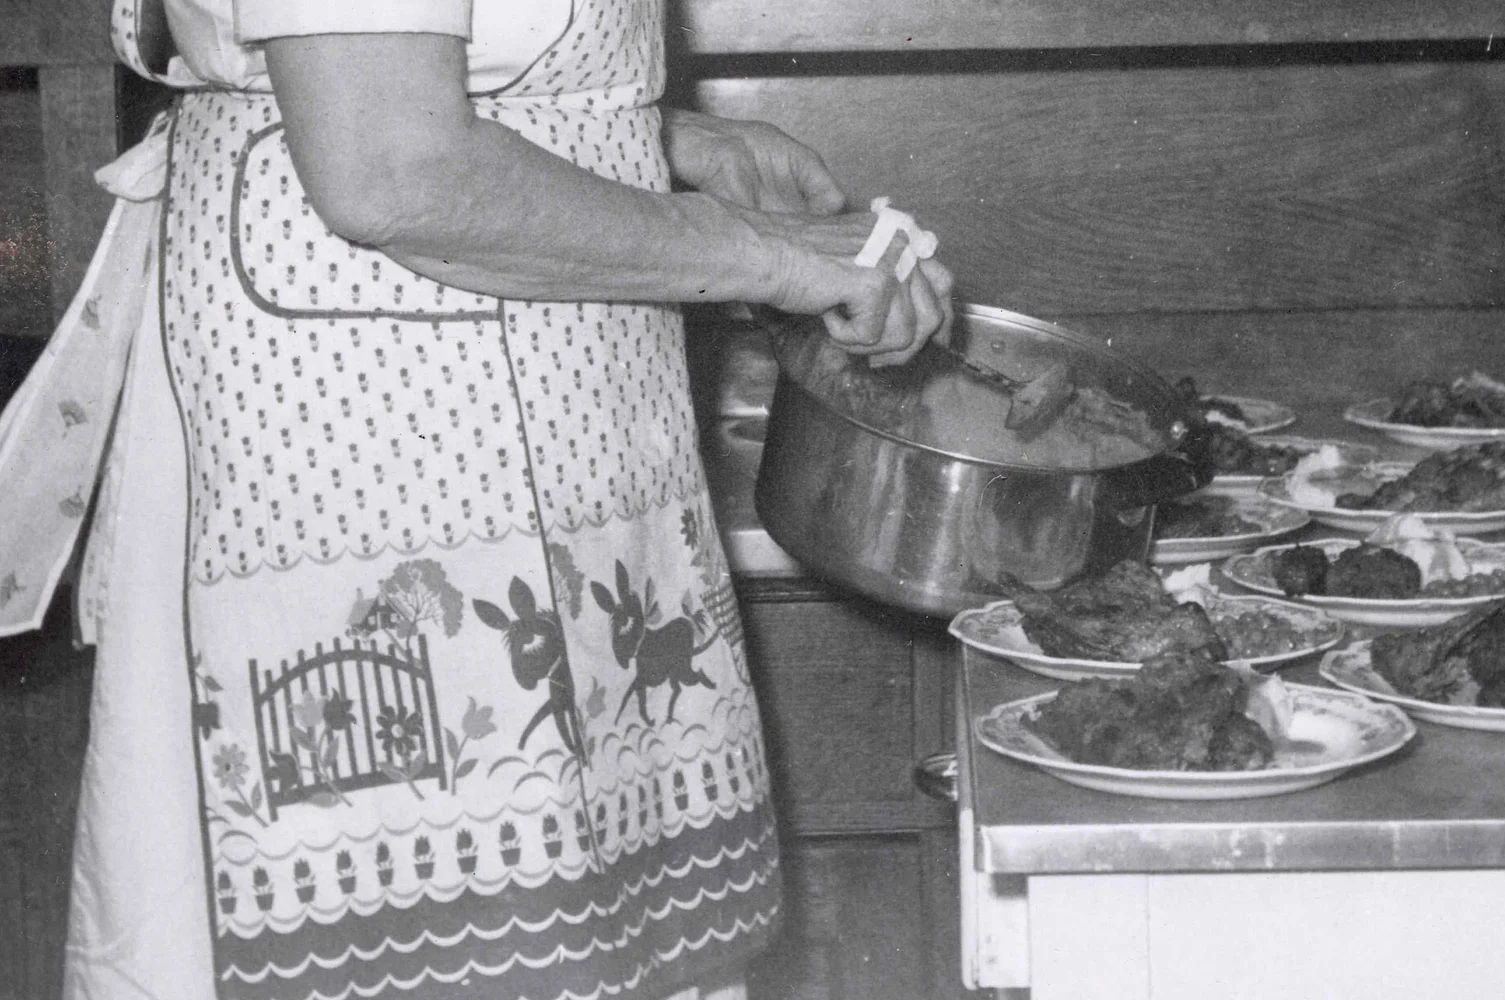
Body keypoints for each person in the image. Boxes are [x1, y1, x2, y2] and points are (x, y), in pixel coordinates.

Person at [0, 1, 954, 998]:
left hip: (533, 429)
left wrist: (649, 134)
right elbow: (390, 166)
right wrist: (773, 252)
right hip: (381, 437)